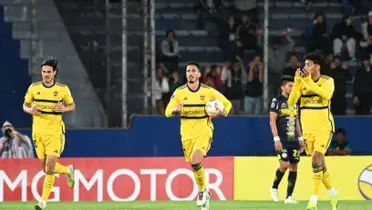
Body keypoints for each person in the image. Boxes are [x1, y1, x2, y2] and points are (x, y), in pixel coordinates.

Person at [165, 61, 232, 210]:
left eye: (194, 71)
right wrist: (175, 110)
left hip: (204, 130)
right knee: (194, 164)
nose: (191, 73)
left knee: (196, 160)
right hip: (186, 134)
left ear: (199, 74)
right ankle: (205, 191)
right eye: (188, 71)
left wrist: (221, 113)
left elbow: (227, 104)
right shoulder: (179, 93)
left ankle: (202, 191)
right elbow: (167, 112)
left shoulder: (208, 92)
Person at [23, 57, 76, 210]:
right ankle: (68, 170)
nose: (45, 74)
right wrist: (30, 110)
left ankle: (43, 203)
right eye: (43, 72)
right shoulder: (34, 88)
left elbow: (72, 105)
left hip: (54, 132)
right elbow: (25, 105)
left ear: (54, 73)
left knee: (50, 165)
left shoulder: (62, 89)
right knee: (45, 169)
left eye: (48, 72)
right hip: (38, 132)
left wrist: (64, 109)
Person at [288, 52, 339, 210]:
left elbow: (326, 94)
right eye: (305, 64)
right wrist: (297, 81)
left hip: (324, 127)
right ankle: (333, 193)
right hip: (308, 129)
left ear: (317, 66)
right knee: (320, 165)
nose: (305, 67)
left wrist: (307, 80)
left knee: (315, 159)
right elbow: (291, 102)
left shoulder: (327, 81)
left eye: (309, 64)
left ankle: (313, 201)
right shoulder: (302, 82)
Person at [269, 76, 305, 204]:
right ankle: (274, 187)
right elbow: (272, 120)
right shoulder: (277, 101)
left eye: (293, 86)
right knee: (284, 165)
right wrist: (276, 138)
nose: (292, 88)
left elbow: (297, 122)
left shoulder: (295, 101)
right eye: (290, 86)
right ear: (282, 87)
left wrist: (301, 138)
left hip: (293, 139)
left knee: (294, 166)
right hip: (282, 140)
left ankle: (289, 196)